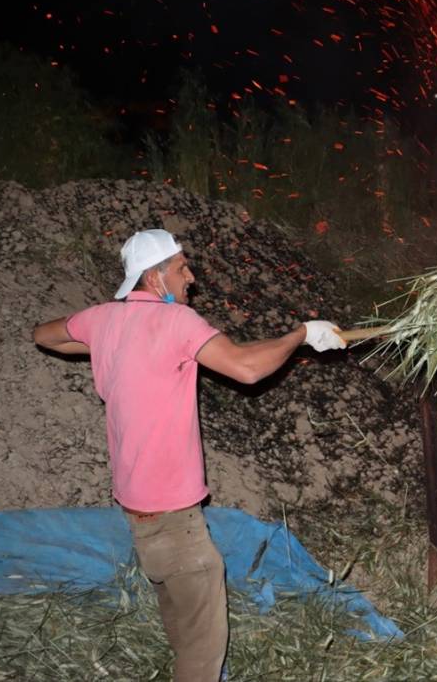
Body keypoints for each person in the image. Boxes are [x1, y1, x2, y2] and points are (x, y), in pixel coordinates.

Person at [31, 228, 348, 681]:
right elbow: (247, 368)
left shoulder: (104, 319)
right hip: (174, 518)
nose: (192, 277)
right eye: (182, 267)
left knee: (179, 607)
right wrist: (301, 331)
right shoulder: (178, 322)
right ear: (156, 277)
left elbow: (44, 335)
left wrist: (102, 343)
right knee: (203, 648)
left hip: (136, 509)